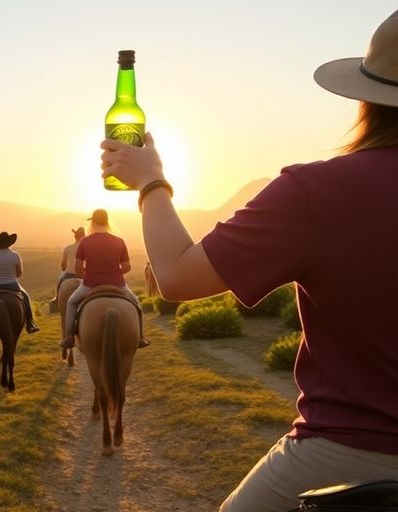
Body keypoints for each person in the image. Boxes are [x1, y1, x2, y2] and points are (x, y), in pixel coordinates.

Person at [98, 10, 398, 511]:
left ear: (368, 99)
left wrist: (150, 182)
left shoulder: (316, 191)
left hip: (350, 452)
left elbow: (176, 276)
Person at [60, 209, 149, 349]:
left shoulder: (85, 242)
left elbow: (78, 270)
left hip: (90, 284)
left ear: (93, 223)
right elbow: (127, 267)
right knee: (136, 303)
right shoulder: (119, 241)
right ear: (107, 222)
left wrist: (88, 274)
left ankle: (69, 337)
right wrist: (113, 272)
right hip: (117, 284)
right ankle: (141, 337)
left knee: (71, 302)